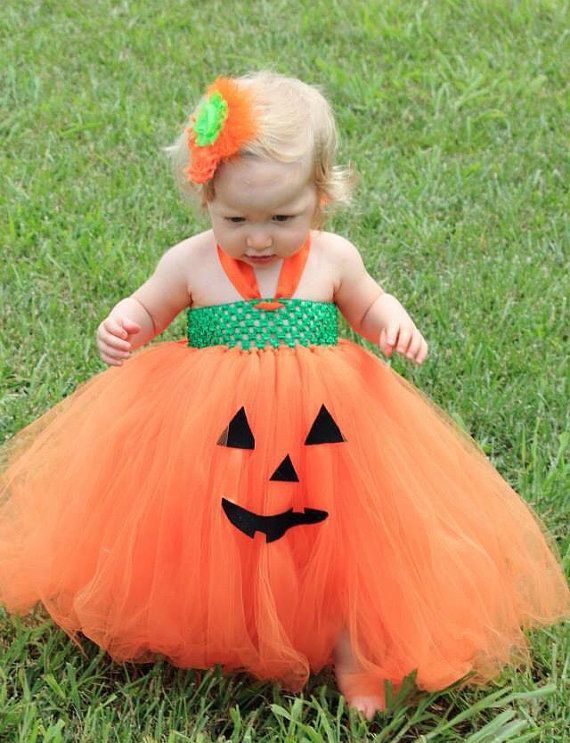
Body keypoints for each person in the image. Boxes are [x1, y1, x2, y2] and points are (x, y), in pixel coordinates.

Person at [0, 71, 568, 721]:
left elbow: (368, 302)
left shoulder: (333, 258)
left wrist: (390, 323)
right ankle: (212, 620)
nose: (260, 237)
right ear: (205, 195)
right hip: (215, 430)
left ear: (322, 198)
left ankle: (357, 652)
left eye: (282, 217)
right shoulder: (190, 262)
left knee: (348, 547)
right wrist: (125, 321)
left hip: (325, 431)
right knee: (203, 533)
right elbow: (149, 306)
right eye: (236, 218)